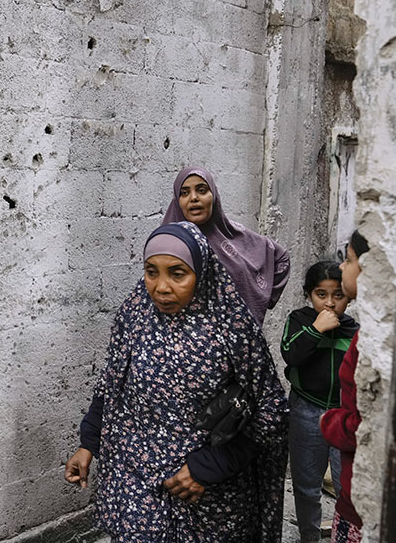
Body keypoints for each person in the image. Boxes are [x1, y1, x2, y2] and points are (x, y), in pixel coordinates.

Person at [65, 222, 288, 542]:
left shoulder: (230, 324)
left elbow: (272, 409)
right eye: (151, 271)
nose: (161, 286)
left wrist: (211, 466)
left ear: (201, 272)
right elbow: (112, 383)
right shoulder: (134, 314)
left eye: (177, 273)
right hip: (138, 491)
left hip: (208, 499)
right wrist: (89, 443)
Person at [280, 261, 358, 543]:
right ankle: (309, 536)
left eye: (338, 295)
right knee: (306, 485)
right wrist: (316, 329)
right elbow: (290, 354)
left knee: (345, 485)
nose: (329, 303)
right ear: (308, 294)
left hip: (344, 415)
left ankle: (345, 536)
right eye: (320, 295)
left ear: (349, 296)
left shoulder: (354, 331)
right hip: (306, 409)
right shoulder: (300, 321)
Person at [162, 166, 290, 325]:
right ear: (177, 201)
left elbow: (280, 257)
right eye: (185, 193)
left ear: (214, 196)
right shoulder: (166, 244)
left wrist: (264, 298)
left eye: (202, 190)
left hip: (236, 342)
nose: (193, 198)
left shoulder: (233, 234)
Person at [320, 230, 370, 543]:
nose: (341, 268)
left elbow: (362, 424)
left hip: (363, 504)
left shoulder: (372, 342)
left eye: (348, 260)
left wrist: (330, 422)